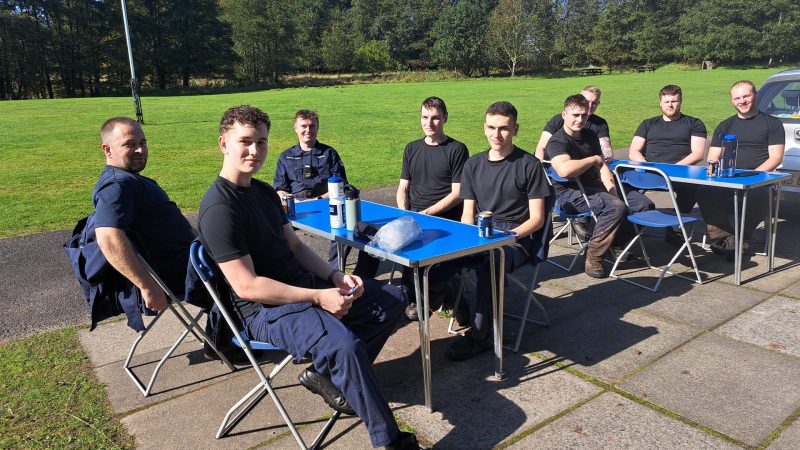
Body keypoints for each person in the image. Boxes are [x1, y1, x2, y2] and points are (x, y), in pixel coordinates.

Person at [197, 105, 417, 450]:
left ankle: (326, 376)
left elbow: (296, 248)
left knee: (392, 299)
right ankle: (389, 440)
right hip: (262, 310)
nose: (255, 151)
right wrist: (319, 297)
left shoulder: (265, 192)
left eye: (262, 142)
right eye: (245, 142)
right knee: (344, 345)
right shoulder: (219, 208)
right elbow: (247, 286)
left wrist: (336, 277)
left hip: (303, 286)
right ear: (223, 143)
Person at [445, 101, 551, 361]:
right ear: (484, 128)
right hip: (481, 232)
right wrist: (461, 243)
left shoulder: (529, 165)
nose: (497, 134)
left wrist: (507, 237)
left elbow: (537, 219)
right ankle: (452, 300)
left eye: (504, 128)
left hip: (516, 239)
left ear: (516, 129)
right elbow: (468, 214)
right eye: (491, 127)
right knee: (434, 262)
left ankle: (480, 335)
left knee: (490, 263)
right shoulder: (472, 165)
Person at [93, 117, 194, 314]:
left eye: (142, 143)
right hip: (185, 272)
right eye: (130, 145)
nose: (140, 150)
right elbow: (108, 239)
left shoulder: (127, 180)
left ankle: (225, 333)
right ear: (107, 150)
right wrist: (147, 286)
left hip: (191, 262)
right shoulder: (116, 186)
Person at [546, 95, 654, 279]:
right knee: (616, 208)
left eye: (584, 116)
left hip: (596, 188)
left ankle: (616, 243)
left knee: (643, 204)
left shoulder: (590, 135)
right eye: (575, 115)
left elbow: (603, 168)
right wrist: (593, 159)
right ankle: (593, 256)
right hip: (570, 194)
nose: (580, 120)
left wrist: (613, 191)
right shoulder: (557, 142)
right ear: (564, 114)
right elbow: (564, 170)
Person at [273, 109, 377, 277]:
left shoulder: (329, 153)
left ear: (317, 128)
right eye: (304, 126)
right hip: (296, 209)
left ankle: (333, 271)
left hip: (327, 206)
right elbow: (279, 189)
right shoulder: (285, 157)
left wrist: (318, 199)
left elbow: (341, 185)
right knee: (273, 231)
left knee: (350, 227)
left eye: (312, 126)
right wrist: (296, 202)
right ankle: (292, 271)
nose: (308, 130)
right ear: (295, 128)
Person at [396, 96, 470, 321]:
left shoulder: (456, 149)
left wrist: (425, 214)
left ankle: (443, 296)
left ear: (445, 118)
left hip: (444, 220)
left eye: (435, 118)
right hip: (414, 216)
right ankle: (416, 298)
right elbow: (403, 188)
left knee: (431, 264)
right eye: (425, 117)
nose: (429, 123)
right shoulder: (412, 148)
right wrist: (405, 213)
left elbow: (457, 194)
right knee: (387, 248)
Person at [697, 80, 785, 255]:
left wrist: (753, 177)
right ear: (732, 100)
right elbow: (713, 156)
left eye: (746, 96)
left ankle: (737, 239)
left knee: (760, 195)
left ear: (755, 95)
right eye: (737, 98)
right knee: (703, 190)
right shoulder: (725, 125)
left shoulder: (772, 123)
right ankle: (724, 238)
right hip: (729, 179)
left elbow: (775, 158)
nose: (742, 101)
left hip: (759, 181)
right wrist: (717, 171)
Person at [628, 85, 707, 242]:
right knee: (620, 185)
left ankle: (674, 227)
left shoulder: (694, 123)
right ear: (660, 103)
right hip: (650, 173)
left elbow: (698, 153)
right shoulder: (648, 124)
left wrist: (672, 169)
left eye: (674, 101)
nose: (670, 105)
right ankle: (626, 230)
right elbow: (634, 151)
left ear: (680, 102)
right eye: (666, 101)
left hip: (679, 173)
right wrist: (647, 167)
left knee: (696, 188)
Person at [535, 86, 613, 163]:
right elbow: (541, 148)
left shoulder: (600, 124)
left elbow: (607, 154)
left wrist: (601, 158)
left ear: (598, 104)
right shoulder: (558, 120)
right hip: (550, 164)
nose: (589, 105)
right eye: (586, 101)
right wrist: (540, 168)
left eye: (594, 103)